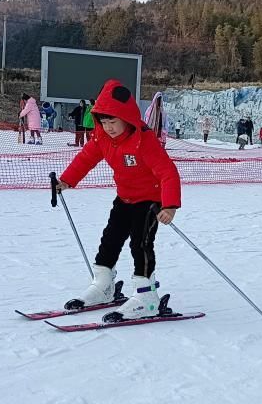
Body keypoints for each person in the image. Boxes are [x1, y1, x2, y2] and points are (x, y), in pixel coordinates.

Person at [56, 80, 181, 322]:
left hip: (150, 201)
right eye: (104, 122)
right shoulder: (103, 138)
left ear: (127, 118)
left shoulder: (143, 140)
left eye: (113, 121)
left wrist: (170, 205)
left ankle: (146, 297)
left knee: (140, 244)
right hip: (124, 197)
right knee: (110, 240)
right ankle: (103, 285)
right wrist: (66, 181)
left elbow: (167, 172)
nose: (108, 127)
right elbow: (85, 159)